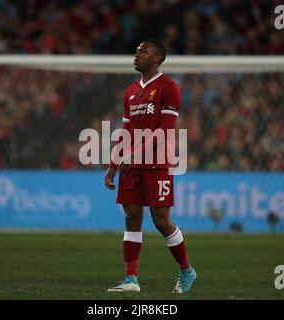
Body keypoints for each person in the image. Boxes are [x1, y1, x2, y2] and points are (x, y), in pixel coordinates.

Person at [104, 39, 196, 294]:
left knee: (161, 221)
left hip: (156, 165)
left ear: (157, 59)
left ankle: (187, 270)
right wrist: (114, 164)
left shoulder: (169, 88)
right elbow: (126, 130)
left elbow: (165, 131)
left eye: (143, 51)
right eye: (136, 51)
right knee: (131, 218)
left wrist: (134, 155)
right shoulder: (130, 91)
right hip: (130, 167)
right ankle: (131, 279)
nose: (137, 54)